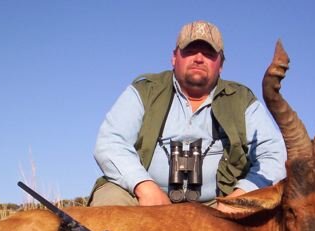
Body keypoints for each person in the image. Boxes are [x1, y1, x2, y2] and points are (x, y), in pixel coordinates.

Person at [89, 20, 286, 210]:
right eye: (190, 51)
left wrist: (239, 198)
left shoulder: (242, 100)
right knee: (110, 200)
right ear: (174, 58)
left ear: (221, 64)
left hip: (218, 206)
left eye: (209, 53)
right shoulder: (145, 91)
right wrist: (144, 186)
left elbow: (274, 154)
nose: (199, 58)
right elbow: (110, 142)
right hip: (144, 199)